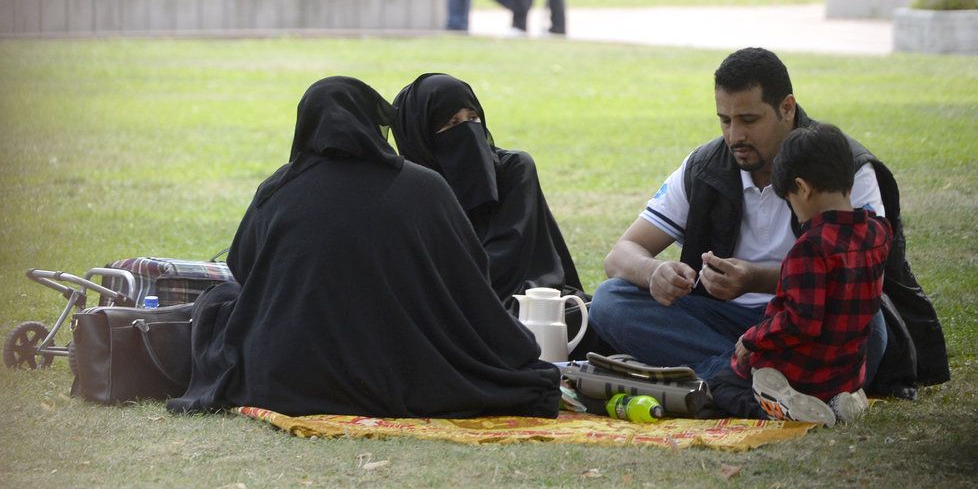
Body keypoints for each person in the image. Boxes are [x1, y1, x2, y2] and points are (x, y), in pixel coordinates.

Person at [167, 76, 560, 418]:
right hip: (403, 362)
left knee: (221, 300)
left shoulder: (278, 190)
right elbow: (468, 275)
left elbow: (243, 267)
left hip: (288, 370)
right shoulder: (425, 187)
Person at [589, 47, 948, 395]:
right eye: (725, 121)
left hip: (812, 318)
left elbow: (864, 273)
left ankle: (729, 377)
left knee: (872, 328)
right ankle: (751, 376)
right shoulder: (704, 166)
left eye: (749, 120)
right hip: (719, 320)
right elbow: (620, 254)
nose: (734, 136)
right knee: (611, 301)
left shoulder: (844, 164)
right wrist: (655, 273)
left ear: (786, 108)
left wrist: (754, 279)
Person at [707, 123, 893, 426]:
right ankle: (842, 400)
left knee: (722, 384)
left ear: (802, 188)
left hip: (802, 371)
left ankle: (787, 409)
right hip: (846, 369)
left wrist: (753, 339)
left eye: (791, 202)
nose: (795, 212)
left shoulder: (809, 248)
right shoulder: (879, 232)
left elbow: (800, 322)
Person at [391, 72, 585, 313]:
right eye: (452, 123)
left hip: (522, 299)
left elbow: (510, 255)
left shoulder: (513, 169)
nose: (467, 130)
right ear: (421, 135)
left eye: (473, 118)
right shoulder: (409, 188)